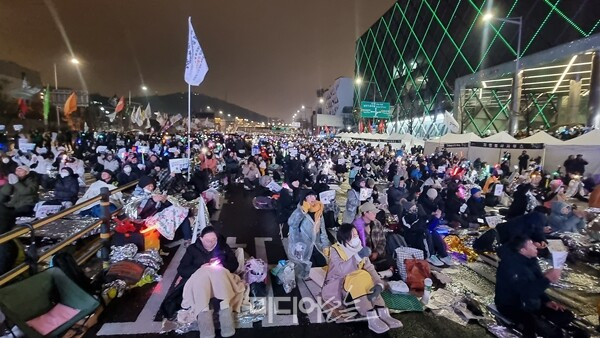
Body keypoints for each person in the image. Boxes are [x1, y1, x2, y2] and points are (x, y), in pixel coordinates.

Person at [321, 223, 403, 334]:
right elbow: (340, 271)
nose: (357, 238)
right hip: (340, 285)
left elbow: (369, 268)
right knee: (359, 277)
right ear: (345, 239)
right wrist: (357, 257)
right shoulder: (335, 251)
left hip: (357, 282)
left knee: (365, 276)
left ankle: (382, 312)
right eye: (353, 236)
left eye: (357, 235)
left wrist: (379, 284)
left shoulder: (359, 248)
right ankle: (370, 315)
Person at [495, 236, 573, 338]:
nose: (536, 246)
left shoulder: (531, 260)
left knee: (565, 315)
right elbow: (526, 293)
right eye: (531, 244)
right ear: (523, 250)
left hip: (531, 301)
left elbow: (536, 282)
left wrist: (547, 301)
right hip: (513, 305)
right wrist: (548, 279)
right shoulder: (511, 267)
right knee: (544, 332)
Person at [178, 226, 242, 338]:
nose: (211, 243)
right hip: (201, 279)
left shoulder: (222, 247)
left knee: (219, 275)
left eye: (214, 240)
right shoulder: (193, 249)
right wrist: (200, 267)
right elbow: (182, 270)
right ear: (201, 239)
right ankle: (206, 326)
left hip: (219, 277)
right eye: (208, 241)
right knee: (203, 280)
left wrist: (222, 265)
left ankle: (225, 314)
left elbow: (234, 265)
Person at [287, 190, 330, 279]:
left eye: (314, 196)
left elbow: (322, 230)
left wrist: (326, 245)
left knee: (323, 267)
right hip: (303, 246)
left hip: (316, 245)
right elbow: (292, 223)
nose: (312, 198)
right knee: (306, 271)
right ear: (304, 198)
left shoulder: (319, 210)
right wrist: (302, 211)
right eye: (309, 196)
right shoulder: (300, 210)